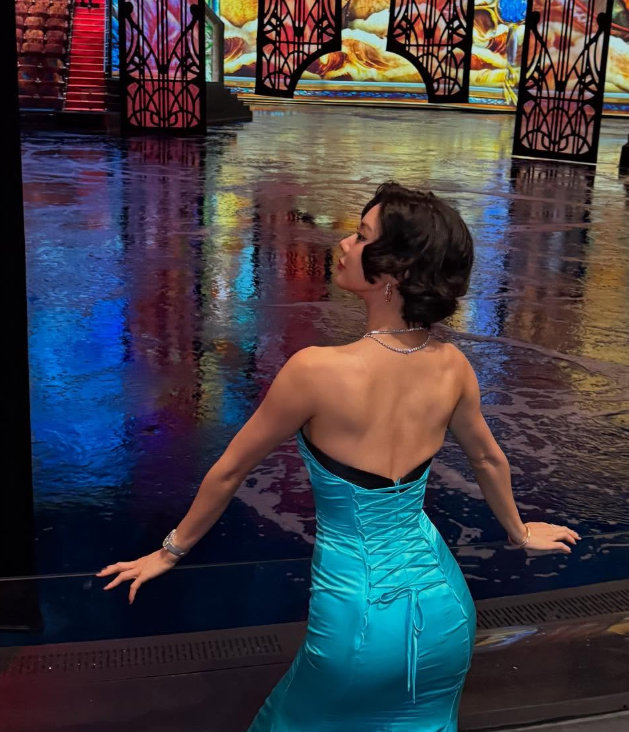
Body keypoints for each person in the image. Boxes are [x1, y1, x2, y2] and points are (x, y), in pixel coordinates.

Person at [96, 181, 581, 730]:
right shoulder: (452, 366)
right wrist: (519, 533)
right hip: (445, 610)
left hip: (357, 625)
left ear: (396, 270)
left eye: (361, 235)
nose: (344, 244)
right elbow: (489, 460)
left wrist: (169, 553)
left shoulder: (315, 371)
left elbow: (230, 471)